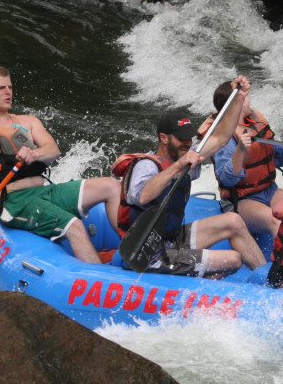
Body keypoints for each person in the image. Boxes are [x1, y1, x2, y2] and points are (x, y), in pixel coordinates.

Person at [0, 65, 120, 264]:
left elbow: (53, 150)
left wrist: (34, 154)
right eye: (1, 88)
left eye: (10, 87)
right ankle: (96, 281)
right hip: (15, 202)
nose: (8, 92)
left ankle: (133, 254)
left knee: (111, 186)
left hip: (44, 192)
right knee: (75, 226)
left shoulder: (28, 121)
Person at [111, 75, 267, 278]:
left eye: (189, 137)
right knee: (233, 259)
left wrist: (238, 98)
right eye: (181, 138)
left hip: (172, 239)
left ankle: (267, 279)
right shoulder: (146, 165)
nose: (187, 143)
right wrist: (178, 165)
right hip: (146, 251)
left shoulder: (187, 155)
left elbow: (220, 138)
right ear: (164, 138)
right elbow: (142, 196)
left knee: (233, 220)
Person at [197, 81, 283, 240]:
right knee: (275, 221)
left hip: (269, 191)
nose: (249, 100)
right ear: (235, 104)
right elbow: (227, 179)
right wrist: (240, 151)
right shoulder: (222, 136)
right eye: (245, 97)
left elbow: (272, 152)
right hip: (240, 200)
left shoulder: (253, 122)